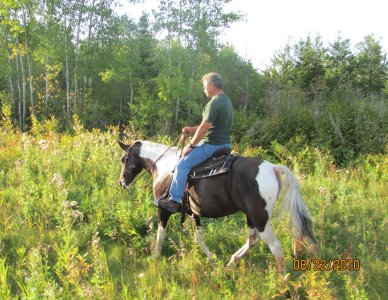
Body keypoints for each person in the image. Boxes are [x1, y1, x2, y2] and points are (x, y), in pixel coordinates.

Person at [159, 72, 233, 213]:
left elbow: (205, 127)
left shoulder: (214, 103)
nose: (204, 90)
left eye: (205, 87)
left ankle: (174, 200)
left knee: (182, 164)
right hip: (226, 145)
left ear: (212, 85)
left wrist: (190, 145)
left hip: (212, 145)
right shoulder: (226, 101)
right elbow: (209, 124)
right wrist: (191, 129)